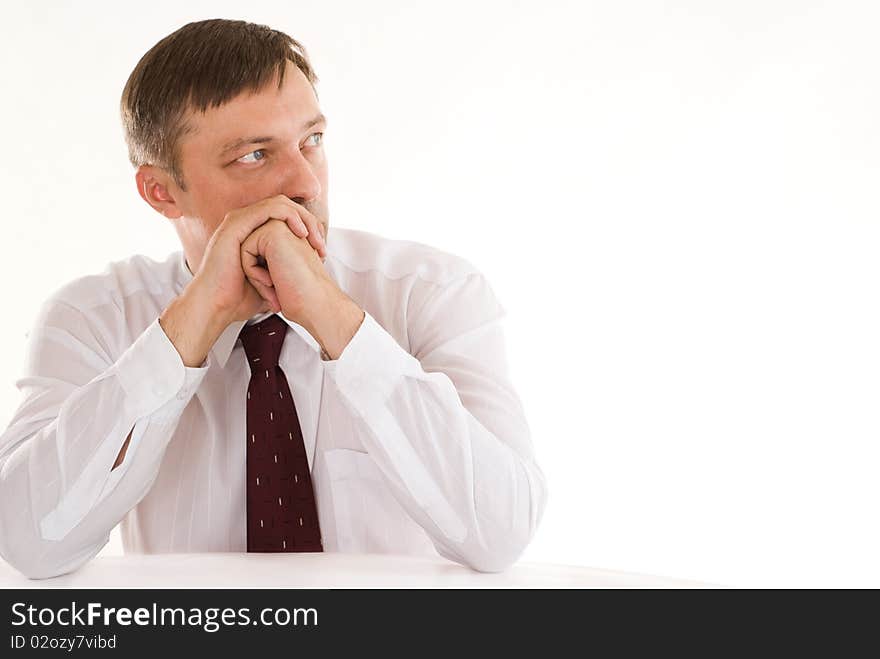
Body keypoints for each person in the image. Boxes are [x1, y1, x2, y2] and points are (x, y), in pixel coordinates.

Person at [0, 19, 547, 579]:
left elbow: (500, 534)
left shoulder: (431, 292)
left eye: (312, 140)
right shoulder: (91, 319)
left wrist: (337, 324)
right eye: (254, 155)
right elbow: (30, 542)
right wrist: (192, 324)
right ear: (161, 191)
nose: (305, 182)